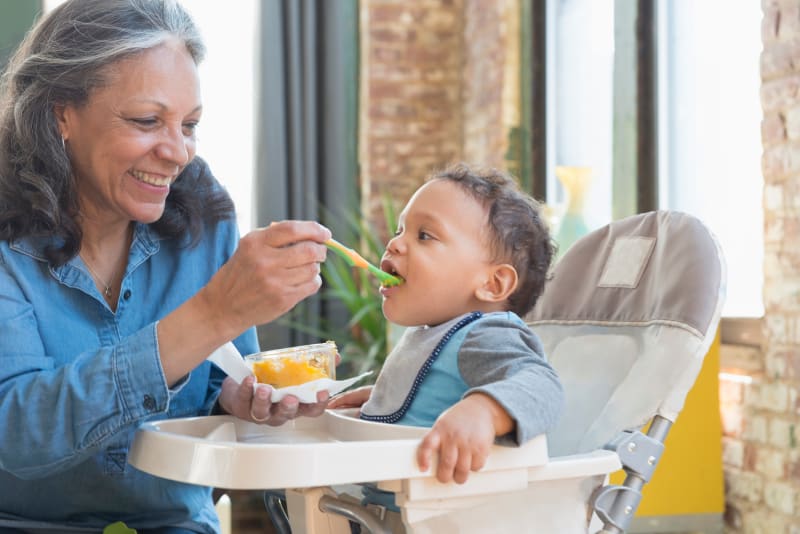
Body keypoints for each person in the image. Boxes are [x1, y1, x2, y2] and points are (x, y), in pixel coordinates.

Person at [0, 0, 331, 532]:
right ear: (62, 113)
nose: (178, 153)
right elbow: (14, 433)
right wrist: (211, 313)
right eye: (147, 121)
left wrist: (243, 403)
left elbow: (223, 387)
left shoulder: (202, 211)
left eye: (191, 125)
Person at [328, 163, 564, 489]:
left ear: (493, 284)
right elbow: (442, 393)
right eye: (400, 230)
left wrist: (483, 411)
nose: (394, 244)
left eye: (424, 235)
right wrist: (395, 397)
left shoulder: (486, 333)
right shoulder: (433, 333)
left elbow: (542, 387)